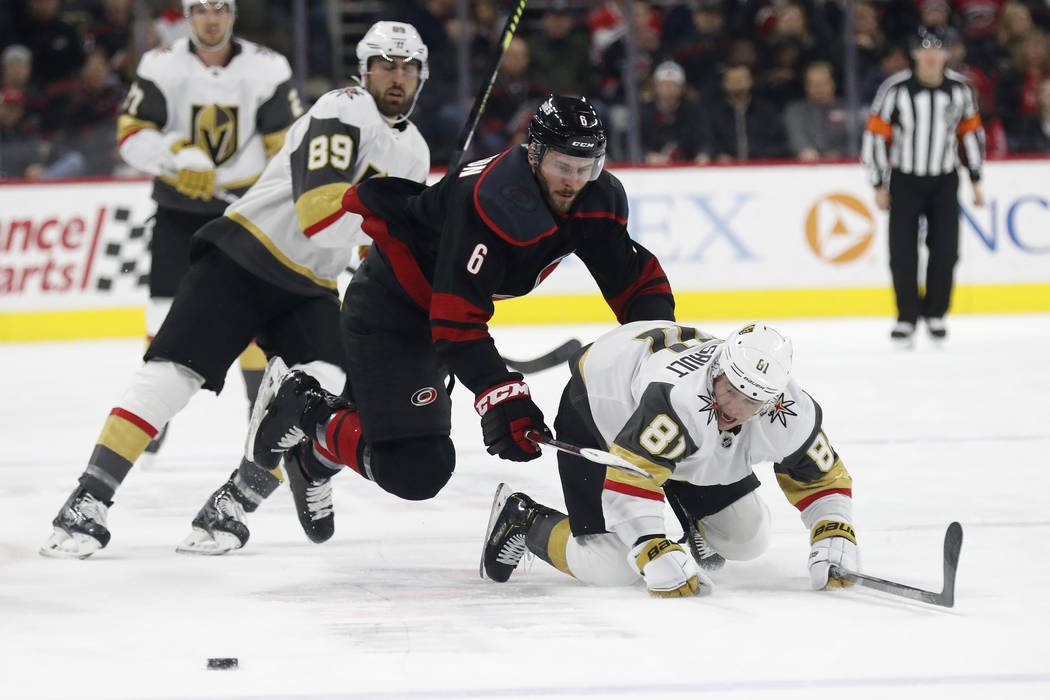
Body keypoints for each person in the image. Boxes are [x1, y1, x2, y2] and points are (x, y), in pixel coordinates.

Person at [213, 94, 675, 554]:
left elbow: (633, 282)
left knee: (394, 441)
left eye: (586, 166)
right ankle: (303, 405)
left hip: (444, 316)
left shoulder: (597, 197)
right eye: (562, 165)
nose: (574, 181)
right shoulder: (494, 201)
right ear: (534, 154)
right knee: (415, 471)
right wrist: (503, 396)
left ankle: (315, 458)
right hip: (391, 311)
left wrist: (659, 354)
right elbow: (456, 322)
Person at [40, 20, 432, 559]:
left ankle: (233, 504)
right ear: (363, 70)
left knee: (322, 388)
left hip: (310, 285)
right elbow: (318, 214)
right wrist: (402, 225)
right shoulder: (343, 109)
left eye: (408, 66)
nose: (397, 76)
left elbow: (371, 252)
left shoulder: (414, 152)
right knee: (170, 379)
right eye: (386, 64)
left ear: (422, 76)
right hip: (243, 257)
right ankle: (87, 500)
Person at [480, 320, 858, 599]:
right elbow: (632, 481)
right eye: (730, 391)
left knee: (747, 538)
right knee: (611, 566)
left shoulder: (788, 409)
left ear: (772, 399)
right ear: (718, 370)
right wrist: (650, 545)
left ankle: (692, 518)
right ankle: (523, 520)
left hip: (677, 435)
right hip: (601, 410)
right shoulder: (679, 400)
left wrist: (833, 528)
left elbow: (823, 479)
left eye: (751, 401)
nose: (734, 409)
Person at [116, 0, 303, 459]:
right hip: (179, 208)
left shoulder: (267, 67)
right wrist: (176, 155)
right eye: (201, 9)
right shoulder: (161, 65)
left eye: (219, 8)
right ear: (186, 15)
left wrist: (274, 194)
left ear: (233, 14)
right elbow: (131, 134)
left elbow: (290, 144)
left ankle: (259, 409)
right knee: (164, 311)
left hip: (246, 211)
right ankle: (151, 413)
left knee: (257, 314)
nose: (211, 18)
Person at [861, 25, 985, 346]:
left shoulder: (960, 89)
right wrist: (878, 182)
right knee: (902, 251)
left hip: (944, 179)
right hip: (905, 178)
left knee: (946, 249)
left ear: (946, 53)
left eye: (937, 50)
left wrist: (975, 178)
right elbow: (876, 135)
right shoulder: (896, 89)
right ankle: (906, 316)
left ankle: (935, 313)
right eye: (924, 50)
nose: (931, 56)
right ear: (915, 54)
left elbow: (969, 134)